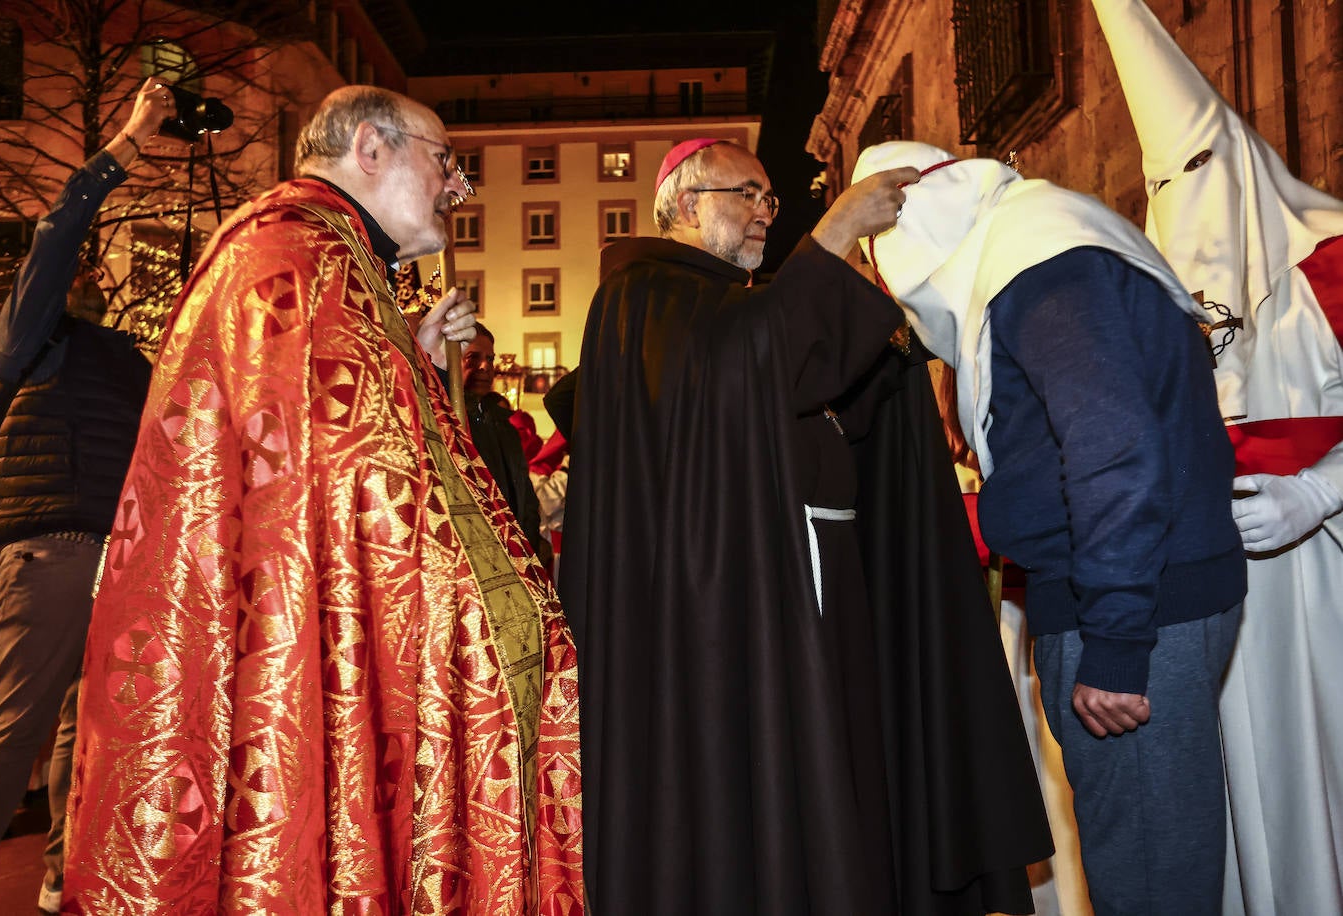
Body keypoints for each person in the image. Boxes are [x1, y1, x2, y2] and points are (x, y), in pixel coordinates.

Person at [61, 86, 582, 914]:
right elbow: (348, 484)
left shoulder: (340, 262)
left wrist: (411, 355)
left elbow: (333, 441)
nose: (458, 187)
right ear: (371, 147)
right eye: (446, 160)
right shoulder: (293, 256)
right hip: (298, 638)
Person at [561, 137, 1052, 915]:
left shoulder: (739, 305)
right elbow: (740, 370)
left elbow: (806, 387)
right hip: (734, 603)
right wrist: (831, 237)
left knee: (850, 758)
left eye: (771, 199)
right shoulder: (645, 294)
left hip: (827, 572)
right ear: (688, 205)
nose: (764, 212)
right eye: (747, 196)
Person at [856, 140, 1248, 914]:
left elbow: (1113, 449)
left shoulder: (1042, 265)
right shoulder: (1054, 244)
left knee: (1147, 877)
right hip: (1147, 597)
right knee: (1151, 854)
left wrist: (1115, 642)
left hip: (1141, 610)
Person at [1089, 2, 1343, 910]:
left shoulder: (1333, 267)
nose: (1180, 203)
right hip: (1211, 593)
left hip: (1322, 585)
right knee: (1236, 784)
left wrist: (1318, 492)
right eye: (1161, 187)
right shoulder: (1154, 304)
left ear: (1237, 162)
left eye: (1194, 170)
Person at [0, 81, 172, 916]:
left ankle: (66, 880)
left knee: (86, 733)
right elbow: (56, 231)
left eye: (94, 267)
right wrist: (128, 143)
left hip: (117, 558)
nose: (89, 270)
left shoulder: (129, 357)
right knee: (18, 725)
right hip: (54, 544)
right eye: (81, 266)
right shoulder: (31, 334)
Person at [461, 324, 550, 566]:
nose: (484, 367)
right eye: (473, 358)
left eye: (490, 359)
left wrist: (529, 546)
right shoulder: (451, 423)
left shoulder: (505, 425)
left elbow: (524, 492)